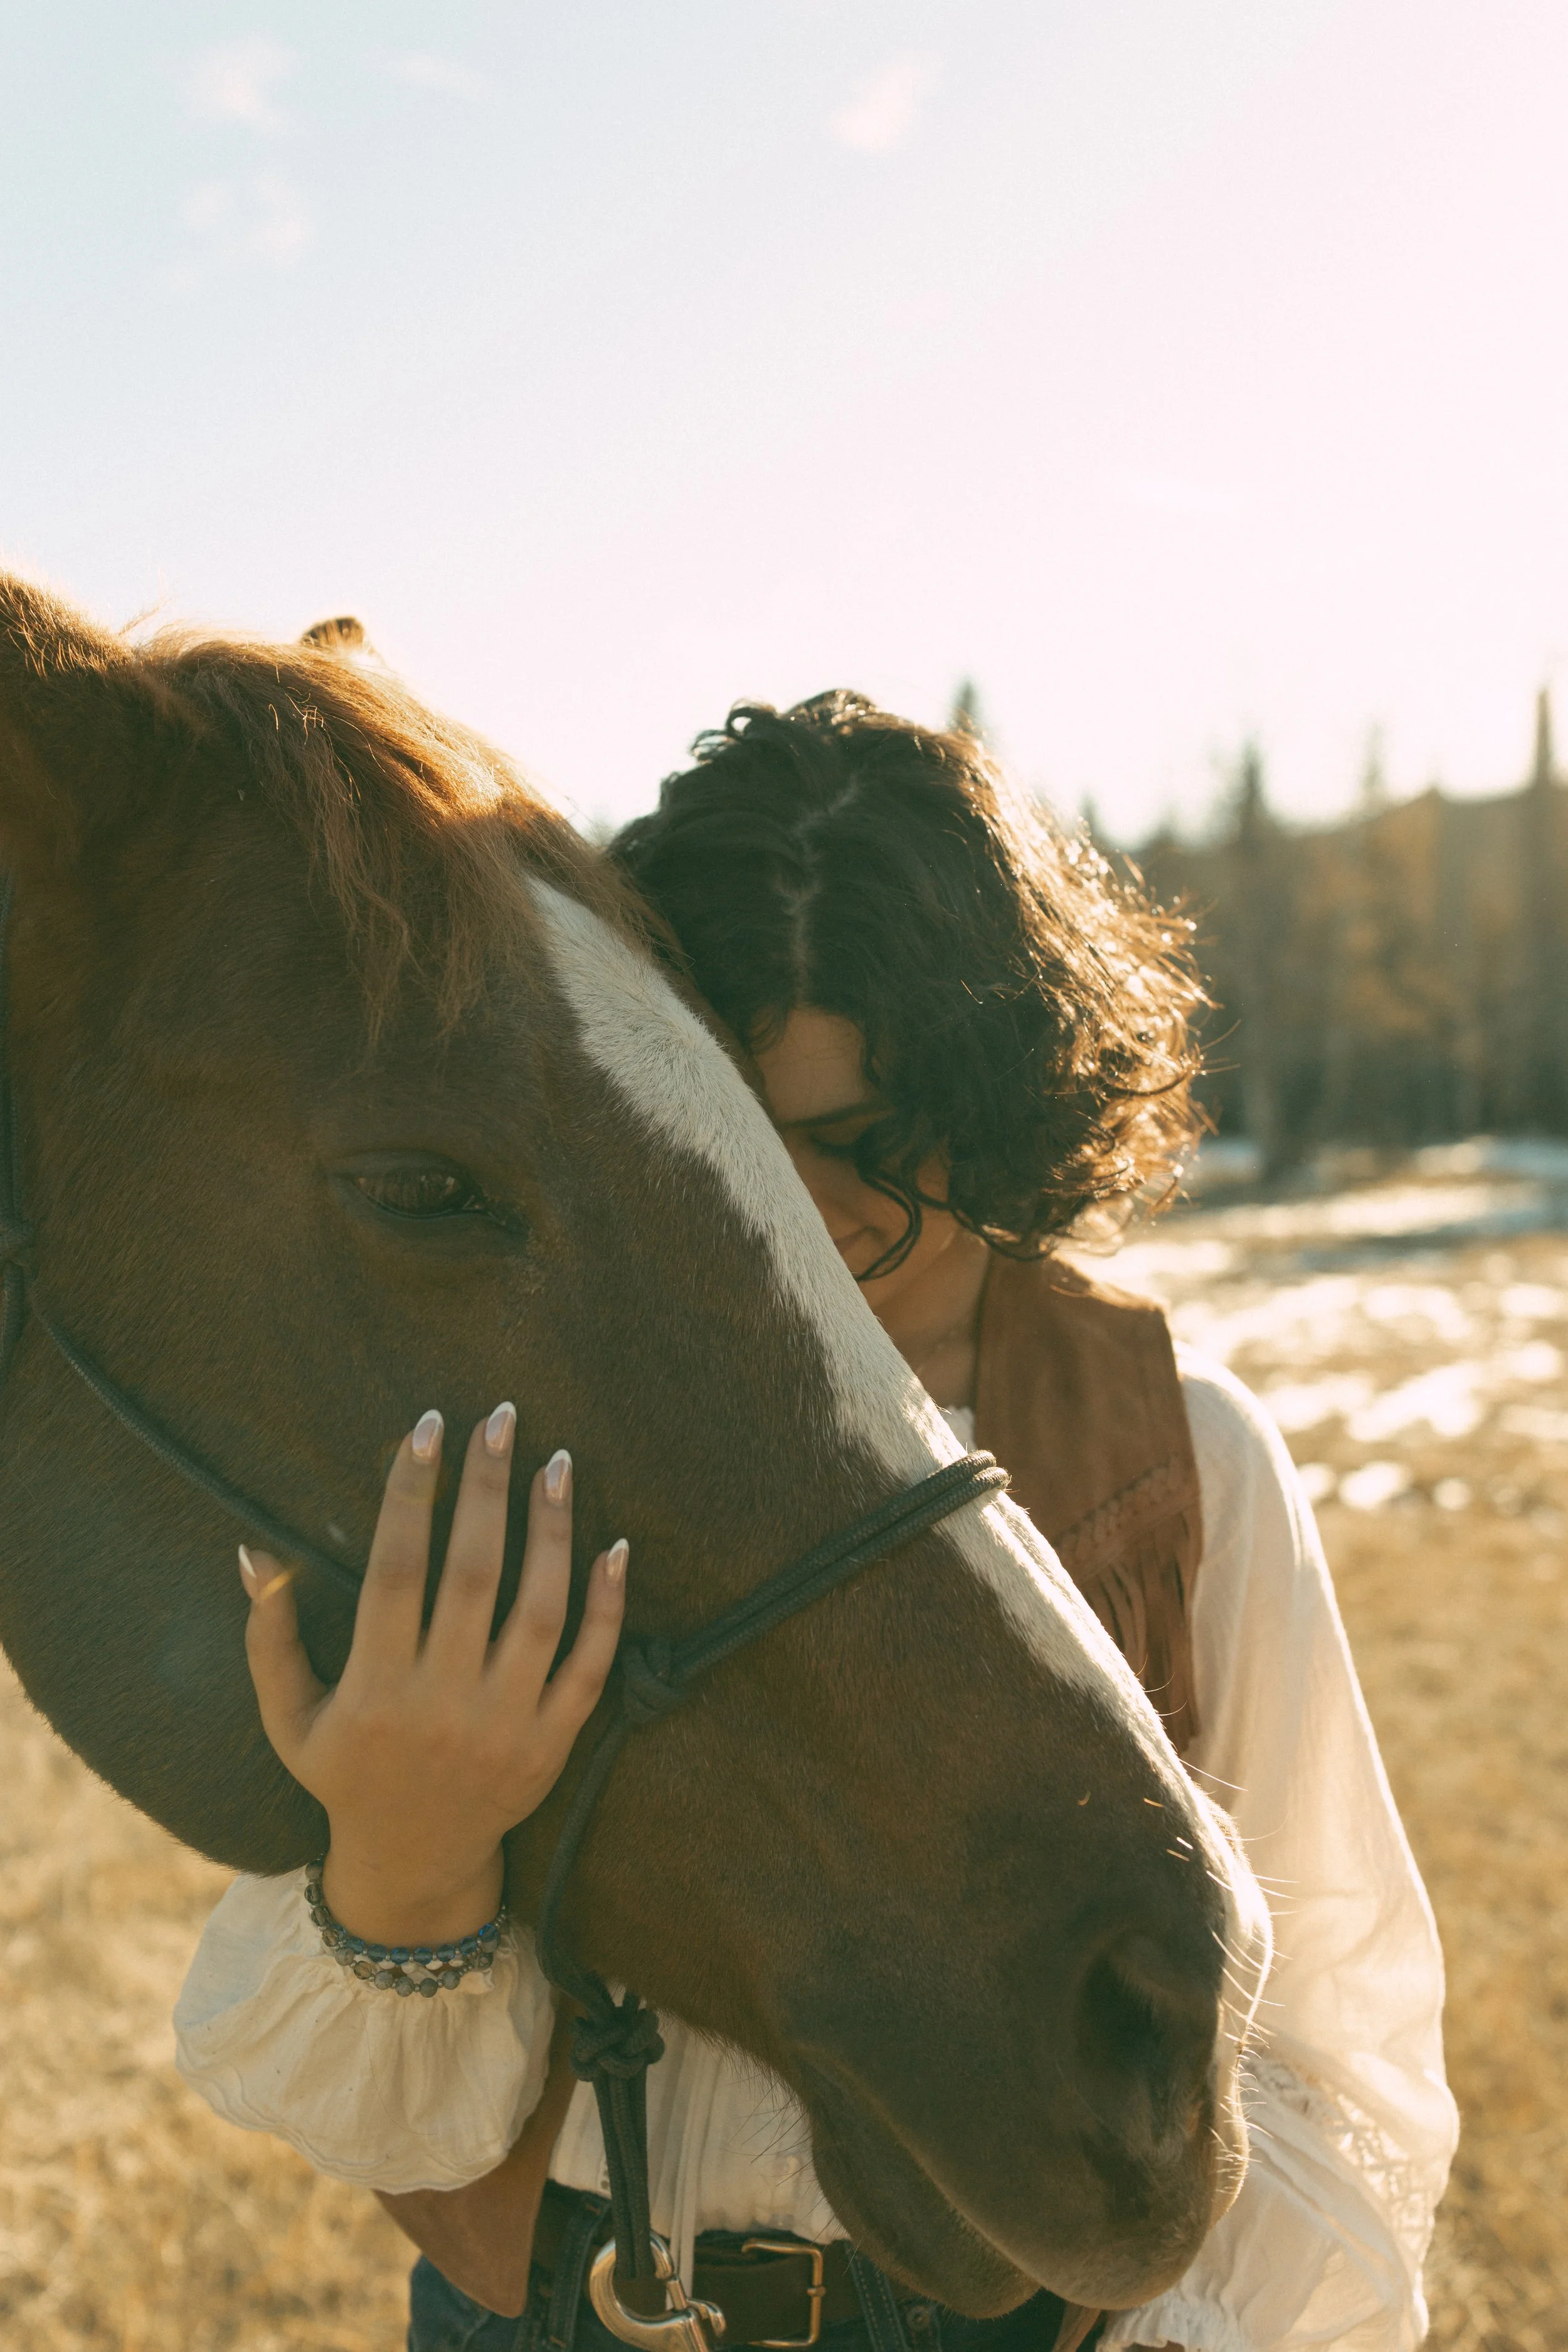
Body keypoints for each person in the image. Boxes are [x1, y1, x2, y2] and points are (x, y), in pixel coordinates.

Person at [174, 694, 1457, 2352]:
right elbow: (376, 2114)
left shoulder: (1175, 1450)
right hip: (554, 2306)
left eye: (870, 1140)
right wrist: (398, 1858)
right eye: (734, 1119)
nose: (797, 1197)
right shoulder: (545, 1425)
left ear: (1001, 1094)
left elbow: (1326, 2033)